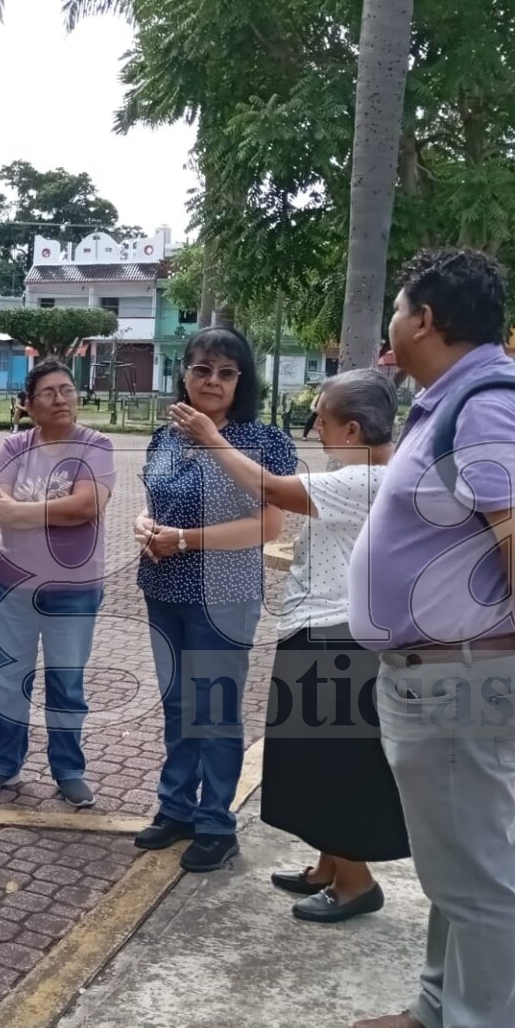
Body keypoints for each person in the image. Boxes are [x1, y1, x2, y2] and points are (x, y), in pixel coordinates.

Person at [347, 250, 515, 1028]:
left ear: (428, 321)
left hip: (463, 679)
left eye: (400, 309)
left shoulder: (485, 411)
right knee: (457, 862)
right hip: (443, 675)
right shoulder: (453, 403)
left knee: (475, 876)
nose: (393, 324)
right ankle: (443, 1009)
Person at [170, 370, 409, 922]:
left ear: (352, 429)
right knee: (319, 757)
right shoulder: (362, 468)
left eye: (321, 420)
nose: (316, 430)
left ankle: (355, 883)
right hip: (324, 627)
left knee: (332, 762)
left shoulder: (368, 478)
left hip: (338, 633)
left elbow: (272, 490)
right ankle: (330, 865)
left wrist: (212, 438)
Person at [132, 327, 297, 873]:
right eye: (202, 369)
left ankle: (215, 824)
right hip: (163, 587)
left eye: (226, 373)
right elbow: (155, 501)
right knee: (179, 705)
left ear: (241, 381)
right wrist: (146, 526)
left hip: (223, 594)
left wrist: (185, 538)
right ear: (185, 373)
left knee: (216, 711)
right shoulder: (165, 437)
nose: (213, 381)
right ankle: (176, 808)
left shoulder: (263, 441)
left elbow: (268, 524)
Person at [0, 359, 116, 807]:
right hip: (12, 585)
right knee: (10, 679)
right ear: (29, 405)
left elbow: (86, 507)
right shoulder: (15, 446)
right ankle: (3, 765)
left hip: (73, 590)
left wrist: (23, 513)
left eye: (68, 390)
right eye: (49, 392)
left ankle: (69, 770)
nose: (61, 399)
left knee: (66, 683)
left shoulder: (97, 445)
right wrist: (26, 511)